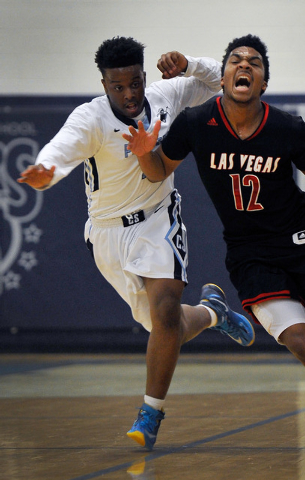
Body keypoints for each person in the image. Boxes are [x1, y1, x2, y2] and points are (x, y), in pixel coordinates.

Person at [123, 34, 305, 452]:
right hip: (250, 252)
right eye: (236, 61)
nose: (244, 66)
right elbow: (156, 171)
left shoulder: (287, 127)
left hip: (302, 238)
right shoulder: (194, 123)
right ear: (222, 76)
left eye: (255, 63)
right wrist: (141, 152)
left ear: (263, 83)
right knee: (299, 340)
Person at [16, 36, 255, 450]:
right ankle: (212, 312)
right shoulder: (89, 118)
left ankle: (151, 411)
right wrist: (45, 170)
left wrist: (190, 64)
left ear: (144, 76)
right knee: (168, 328)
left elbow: (227, 83)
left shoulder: (166, 94)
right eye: (117, 86)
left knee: (163, 317)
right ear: (104, 84)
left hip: (159, 219)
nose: (128, 94)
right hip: (107, 233)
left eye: (134, 83)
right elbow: (61, 150)